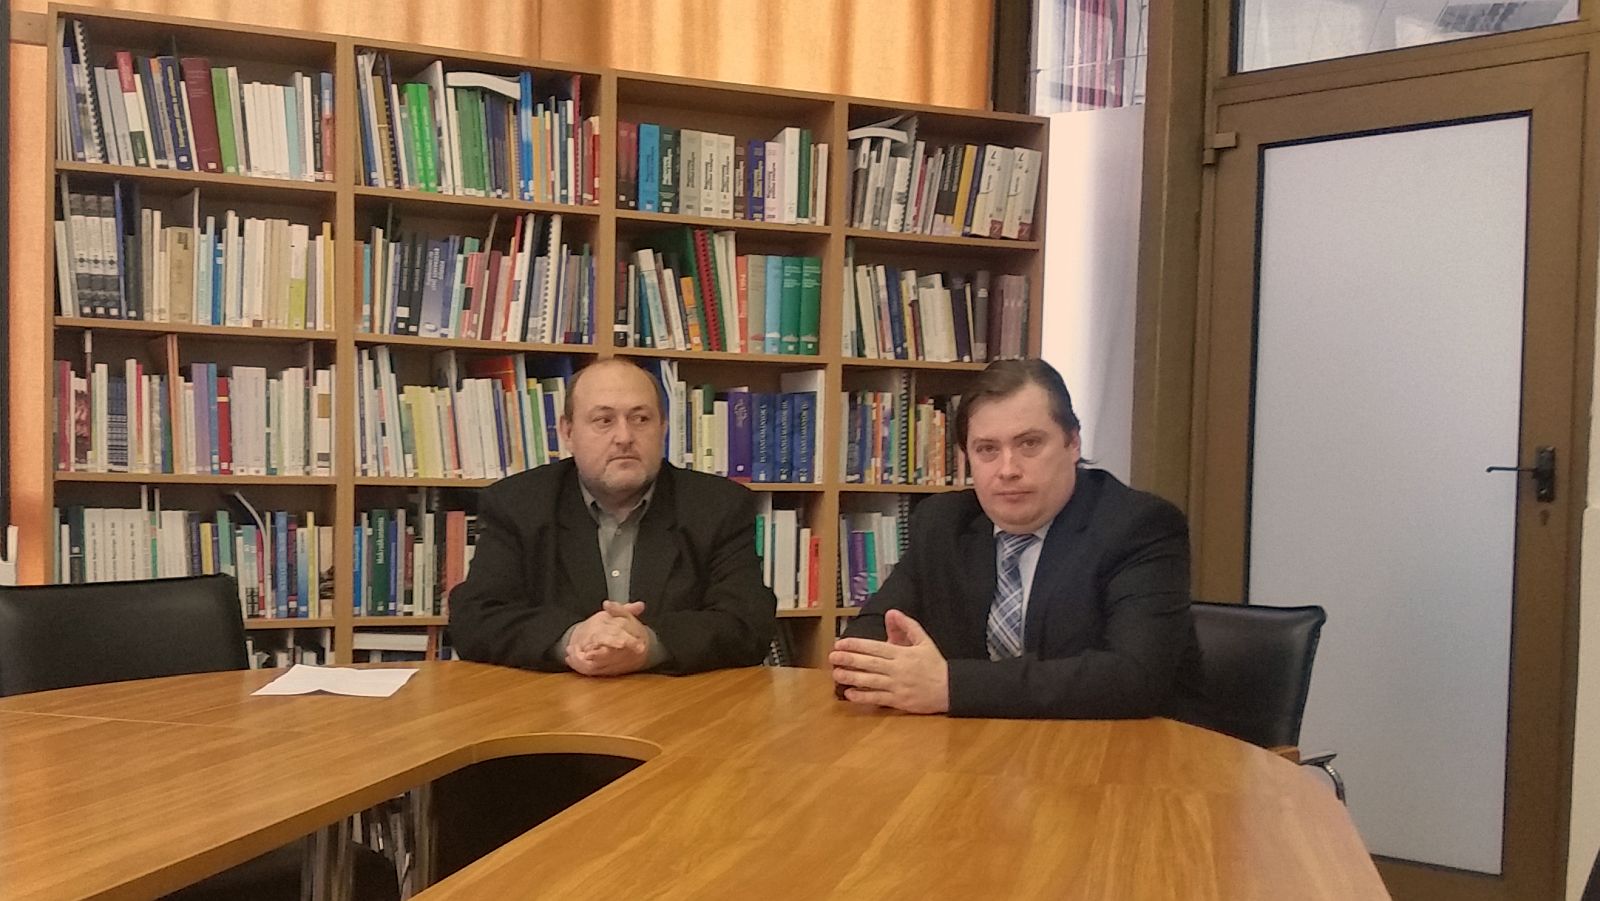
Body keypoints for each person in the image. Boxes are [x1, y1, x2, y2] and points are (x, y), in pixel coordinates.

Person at [831, 358, 1201, 718]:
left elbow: (1133, 677)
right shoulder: (942, 523)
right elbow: (866, 639)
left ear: (1073, 443)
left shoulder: (1139, 526)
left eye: (1029, 444)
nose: (1008, 469)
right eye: (987, 449)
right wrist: (888, 670)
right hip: (979, 746)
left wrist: (951, 686)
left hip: (1124, 749)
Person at [450, 358, 777, 675]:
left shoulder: (718, 505)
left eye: (641, 419)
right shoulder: (517, 504)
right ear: (567, 432)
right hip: (553, 701)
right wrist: (572, 638)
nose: (624, 437)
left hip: (679, 701)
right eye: (604, 420)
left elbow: (748, 622)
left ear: (663, 428)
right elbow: (475, 619)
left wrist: (649, 644)